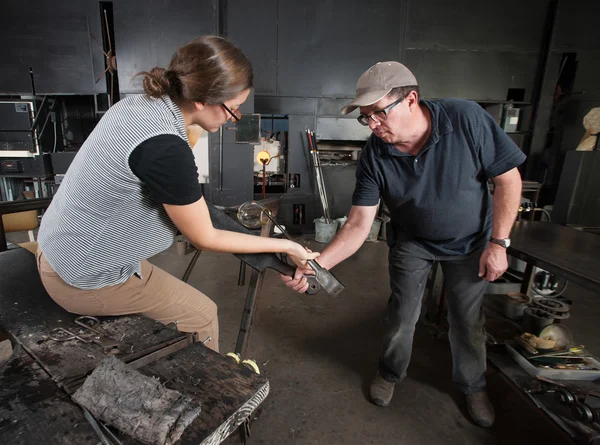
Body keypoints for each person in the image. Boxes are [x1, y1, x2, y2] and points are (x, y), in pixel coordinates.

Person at [36, 36, 318, 353]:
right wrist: (284, 244)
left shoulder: (140, 105)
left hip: (60, 246)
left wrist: (276, 258)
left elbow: (198, 210)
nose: (233, 118)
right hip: (81, 275)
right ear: (201, 100)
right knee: (200, 315)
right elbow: (205, 236)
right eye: (233, 108)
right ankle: (209, 396)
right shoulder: (165, 147)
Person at [282, 61, 525, 427]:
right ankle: (390, 372)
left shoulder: (466, 119)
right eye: (366, 118)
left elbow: (509, 180)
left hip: (471, 240)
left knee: (466, 320)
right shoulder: (375, 155)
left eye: (379, 113)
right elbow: (359, 222)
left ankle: (473, 386)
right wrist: (318, 265)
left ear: (411, 99)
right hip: (412, 240)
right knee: (402, 315)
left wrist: (499, 243)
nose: (373, 126)